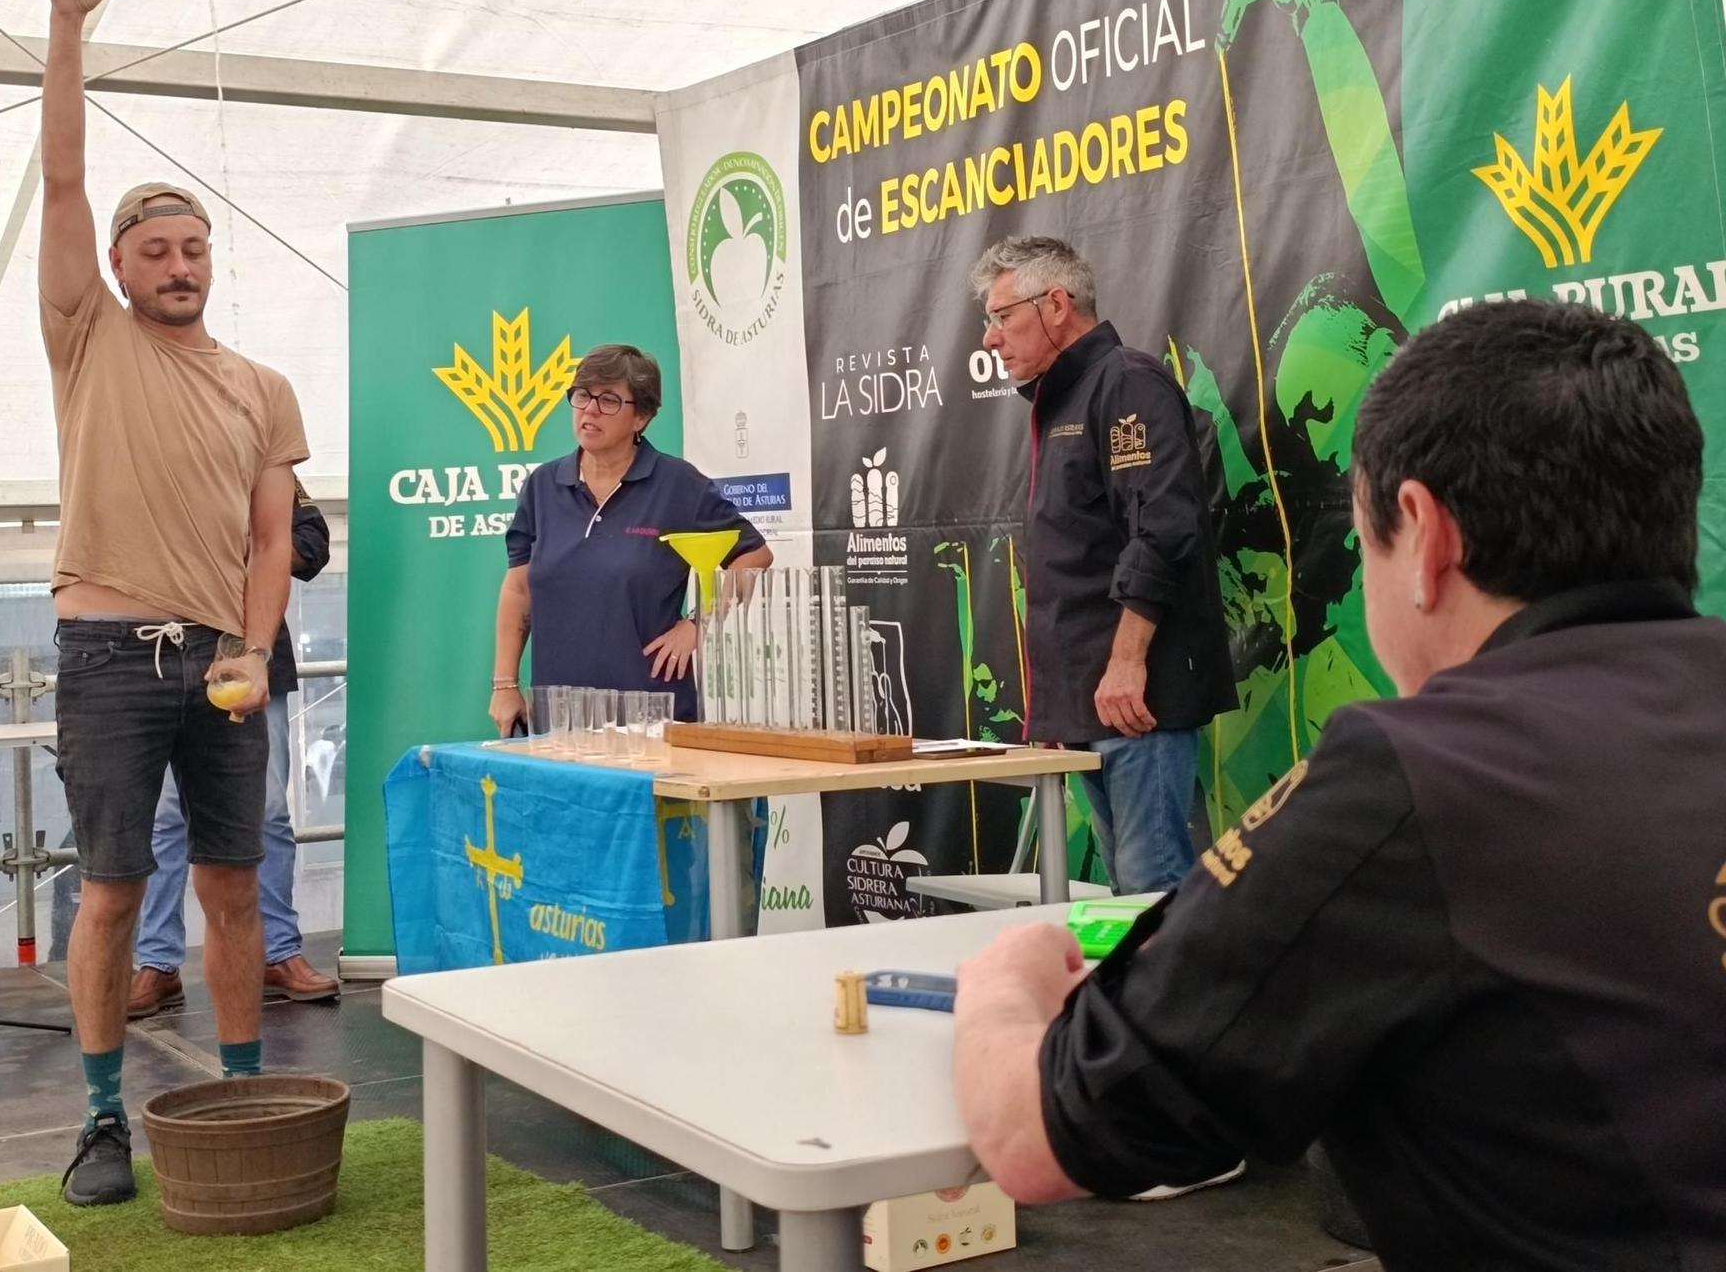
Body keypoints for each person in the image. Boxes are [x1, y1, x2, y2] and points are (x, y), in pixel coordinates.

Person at [953, 299, 1726, 1268]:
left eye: (1363, 547)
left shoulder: (1411, 779)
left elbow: (1037, 1136)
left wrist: (1003, 978)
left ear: (1422, 534)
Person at [33, 0, 308, 1208]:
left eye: (193, 250)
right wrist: (72, 22)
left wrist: (251, 647)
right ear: (118, 269)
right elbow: (62, 183)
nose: (178, 266)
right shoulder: (85, 335)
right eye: (154, 250)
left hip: (219, 664)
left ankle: (246, 1091)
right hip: (103, 653)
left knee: (235, 888)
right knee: (107, 893)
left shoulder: (261, 385)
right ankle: (102, 1121)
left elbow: (271, 542)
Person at [972, 236, 1235, 895]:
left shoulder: (1127, 383)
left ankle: (1170, 1002)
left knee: (1153, 897)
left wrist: (1125, 663)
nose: (991, 339)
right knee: (1128, 902)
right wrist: (1060, 713)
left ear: (1056, 304)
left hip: (1134, 704)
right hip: (1091, 709)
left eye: (1002, 317)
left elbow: (1162, 531)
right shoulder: (1060, 400)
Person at [127, 479, 339, 1018]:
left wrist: (246, 545)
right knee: (168, 816)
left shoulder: (260, 455)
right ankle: (157, 963)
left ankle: (279, 953)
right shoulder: (148, 451)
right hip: (163, 659)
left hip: (249, 658)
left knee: (266, 811)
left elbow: (312, 544)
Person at [488, 343, 771, 734]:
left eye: (608, 400)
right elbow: (519, 589)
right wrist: (505, 685)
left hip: (652, 716)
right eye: (582, 395)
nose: (589, 409)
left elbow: (754, 555)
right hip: (559, 717)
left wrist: (699, 624)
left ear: (642, 416)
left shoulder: (678, 485)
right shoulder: (542, 486)